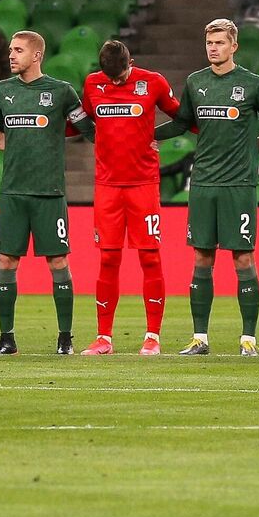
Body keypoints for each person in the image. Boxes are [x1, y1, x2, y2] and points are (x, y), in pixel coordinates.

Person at [147, 20, 259, 355]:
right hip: (203, 181)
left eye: (220, 42)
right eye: (209, 42)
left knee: (242, 256)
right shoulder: (196, 82)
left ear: (234, 46)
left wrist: (253, 148)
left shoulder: (253, 84)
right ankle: (200, 338)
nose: (213, 48)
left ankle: (248, 338)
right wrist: (145, 134)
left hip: (238, 184)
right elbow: (181, 122)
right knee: (202, 256)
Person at [0, 30, 88, 355]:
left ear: (37, 55)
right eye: (11, 50)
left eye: (18, 50)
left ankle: (65, 338)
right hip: (13, 193)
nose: (11, 55)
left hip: (49, 192)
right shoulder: (3, 90)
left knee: (57, 260)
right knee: (6, 261)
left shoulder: (61, 92)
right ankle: (7, 339)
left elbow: (90, 129)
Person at [74, 41, 180, 356]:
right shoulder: (93, 82)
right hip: (107, 185)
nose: (116, 82)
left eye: (120, 76)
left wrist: (153, 136)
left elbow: (183, 116)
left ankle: (152, 336)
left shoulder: (154, 82)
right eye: (112, 78)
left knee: (149, 257)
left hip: (143, 184)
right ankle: (104, 337)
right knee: (108, 258)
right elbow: (83, 119)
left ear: (130, 62)